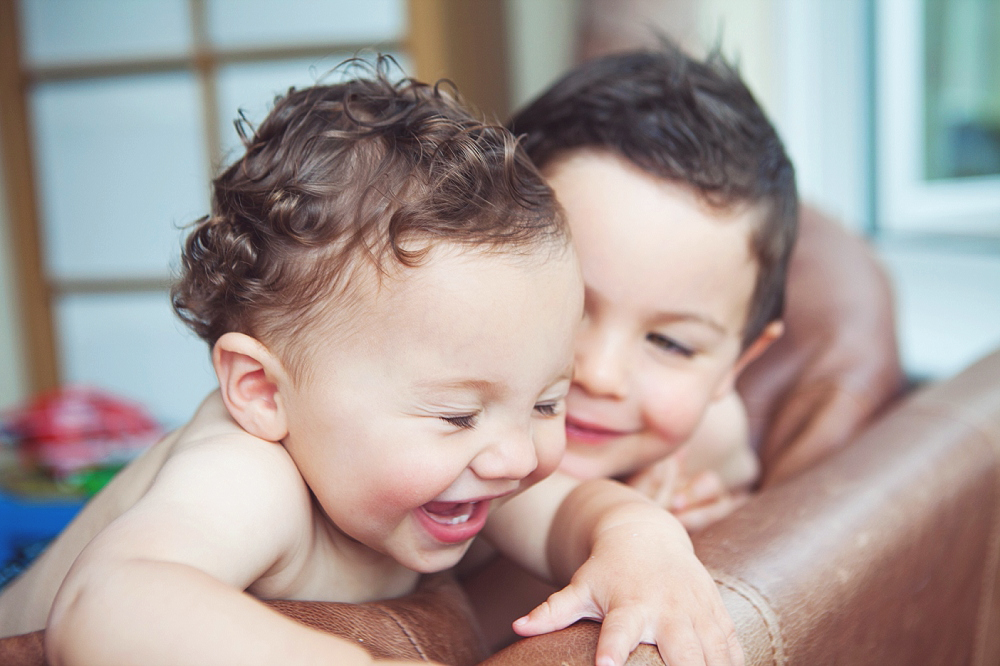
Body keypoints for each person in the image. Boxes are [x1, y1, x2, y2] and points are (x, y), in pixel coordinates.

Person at [0, 64, 742, 666]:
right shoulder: (250, 475)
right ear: (262, 392)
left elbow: (580, 513)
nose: (521, 456)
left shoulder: (470, 457)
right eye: (457, 413)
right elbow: (109, 604)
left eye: (548, 401)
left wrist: (647, 546)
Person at [462, 41, 797, 651]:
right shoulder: (437, 431)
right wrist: (628, 530)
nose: (601, 374)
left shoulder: (708, 437)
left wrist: (716, 510)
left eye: (670, 342)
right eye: (568, 306)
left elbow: (736, 466)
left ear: (738, 363)